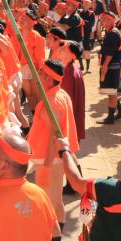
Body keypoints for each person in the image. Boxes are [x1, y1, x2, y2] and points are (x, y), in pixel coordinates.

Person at [27, 59, 78, 229]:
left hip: (50, 158)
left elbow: (53, 137)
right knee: (55, 201)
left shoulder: (53, 101)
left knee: (50, 203)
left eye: (41, 73)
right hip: (53, 156)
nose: (38, 75)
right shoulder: (60, 94)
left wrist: (46, 167)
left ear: (49, 79)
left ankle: (52, 238)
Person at [97, 12, 121, 124]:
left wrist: (105, 65)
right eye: (101, 19)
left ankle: (110, 118)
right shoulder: (111, 32)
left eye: (104, 19)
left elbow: (110, 52)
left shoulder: (113, 34)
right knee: (111, 91)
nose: (102, 21)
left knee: (111, 93)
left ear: (111, 20)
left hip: (111, 66)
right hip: (111, 65)